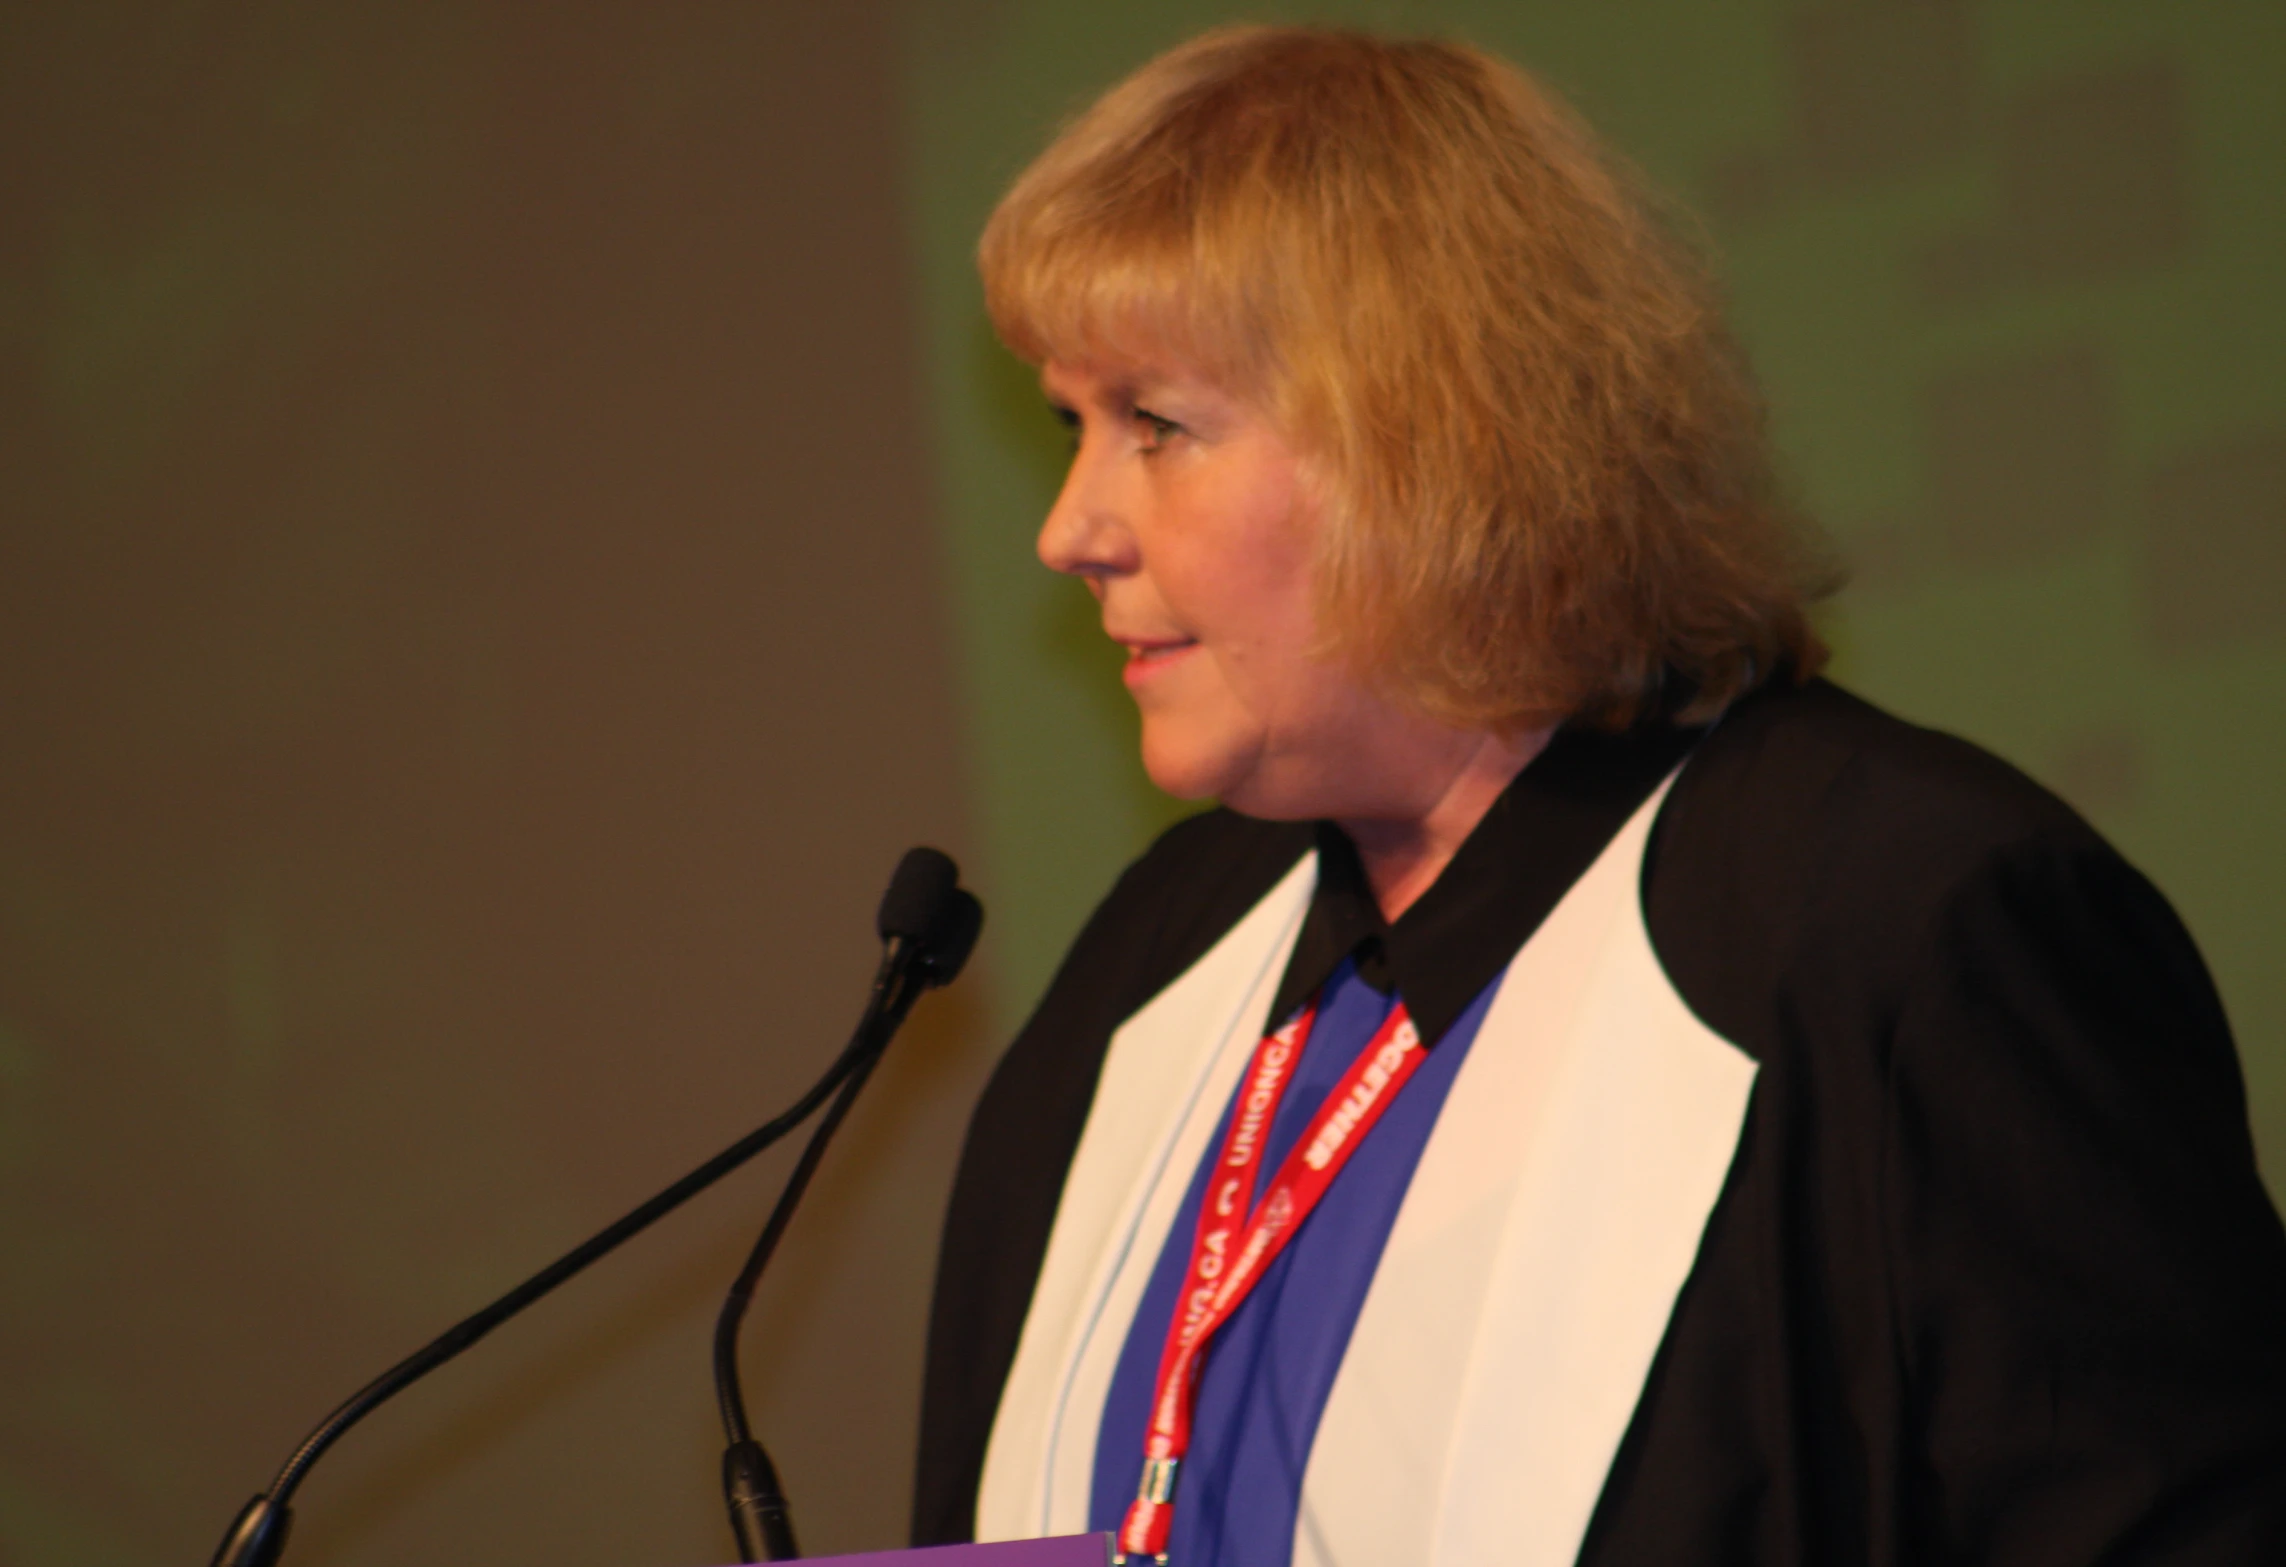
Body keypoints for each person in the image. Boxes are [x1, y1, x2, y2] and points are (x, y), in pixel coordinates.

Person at [913, 25, 2286, 1567]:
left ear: (1431, 437)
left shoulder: (1906, 933)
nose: (1068, 527)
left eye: (1153, 423)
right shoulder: (1147, 966)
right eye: (1068, 426)